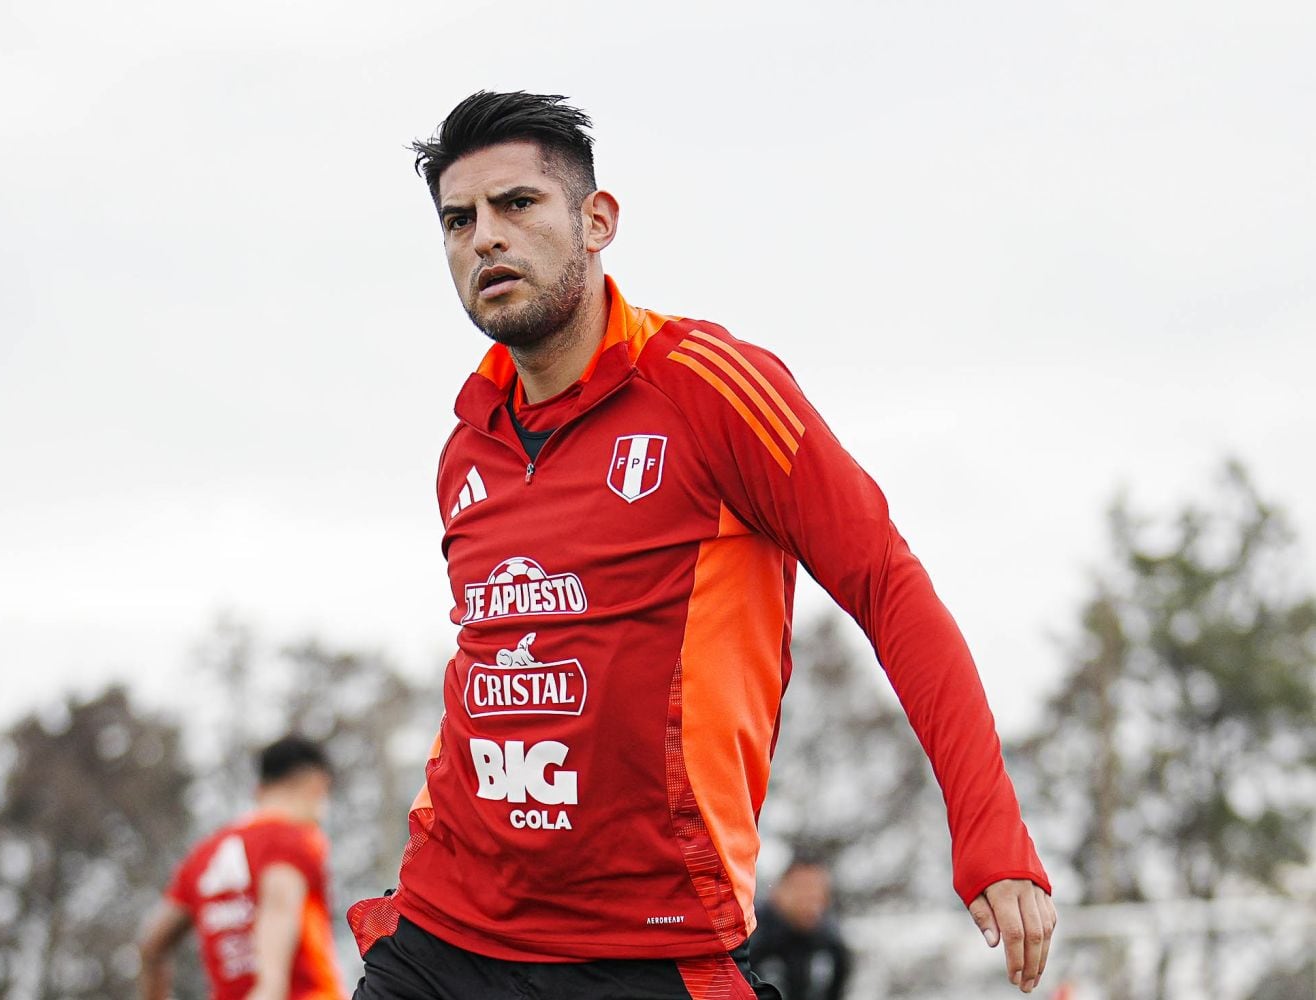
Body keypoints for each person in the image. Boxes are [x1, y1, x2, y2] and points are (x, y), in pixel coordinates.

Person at [346, 91, 1056, 999]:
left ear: (597, 220)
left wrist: (990, 832)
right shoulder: (467, 445)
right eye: (458, 219)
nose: (483, 237)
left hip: (644, 952)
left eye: (516, 204)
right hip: (441, 939)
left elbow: (888, 584)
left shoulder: (708, 388)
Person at [139, 735, 343, 1000]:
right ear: (316, 785)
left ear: (259, 789)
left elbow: (152, 947)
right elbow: (278, 909)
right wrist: (269, 988)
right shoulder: (293, 839)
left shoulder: (203, 855)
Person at [747, 860, 851, 1000]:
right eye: (801, 889)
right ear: (778, 892)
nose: (809, 900)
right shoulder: (751, 935)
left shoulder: (831, 945)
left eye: (817, 892)